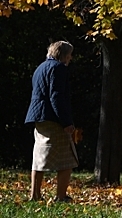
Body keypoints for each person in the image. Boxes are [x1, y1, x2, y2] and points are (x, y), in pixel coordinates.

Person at [25, 41, 77, 202]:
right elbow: (57, 96)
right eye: (69, 55)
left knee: (39, 157)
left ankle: (35, 195)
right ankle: (60, 196)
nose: (70, 59)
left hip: (38, 118)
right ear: (63, 55)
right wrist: (67, 122)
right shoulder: (59, 68)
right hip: (53, 119)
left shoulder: (40, 68)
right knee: (67, 159)